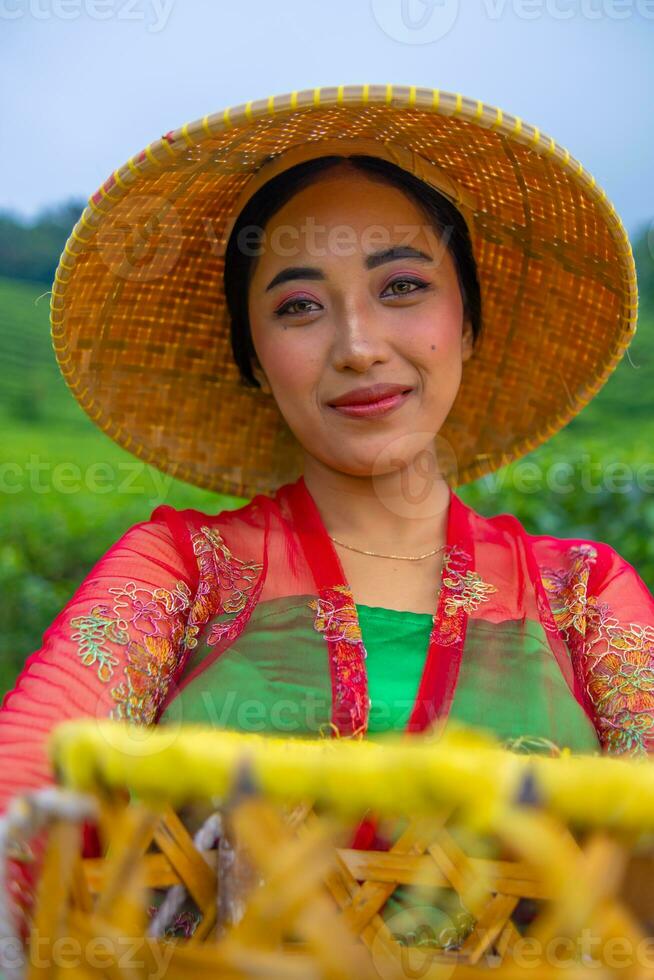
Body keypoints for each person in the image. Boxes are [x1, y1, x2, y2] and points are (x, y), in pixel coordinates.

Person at [0, 85, 651, 937]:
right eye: (299, 306)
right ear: (257, 359)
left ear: (467, 326)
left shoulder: (578, 593)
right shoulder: (184, 570)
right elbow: (31, 779)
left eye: (404, 285)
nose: (357, 345)